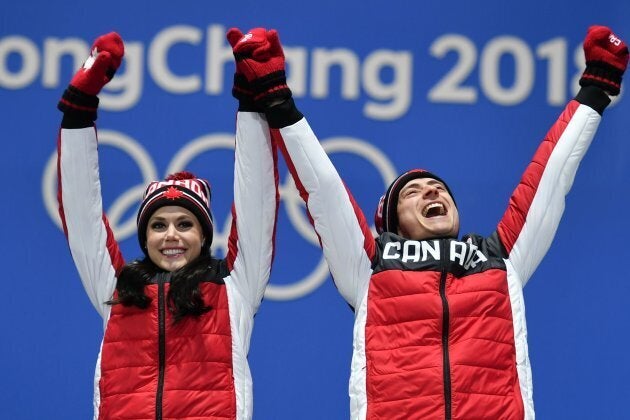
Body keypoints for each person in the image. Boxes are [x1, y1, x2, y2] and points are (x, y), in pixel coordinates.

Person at [226, 26, 628, 419]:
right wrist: (279, 102)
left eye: (438, 188)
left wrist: (595, 91)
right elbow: (324, 190)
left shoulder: (500, 259)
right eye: (413, 193)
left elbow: (549, 178)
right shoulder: (370, 267)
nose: (433, 192)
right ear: (392, 224)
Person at [57, 31, 279, 419]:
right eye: (158, 225)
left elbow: (257, 197)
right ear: (144, 236)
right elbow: (80, 212)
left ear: (205, 234)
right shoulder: (117, 289)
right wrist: (79, 111)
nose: (171, 235)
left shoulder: (235, 286)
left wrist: (251, 102)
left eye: (185, 224)